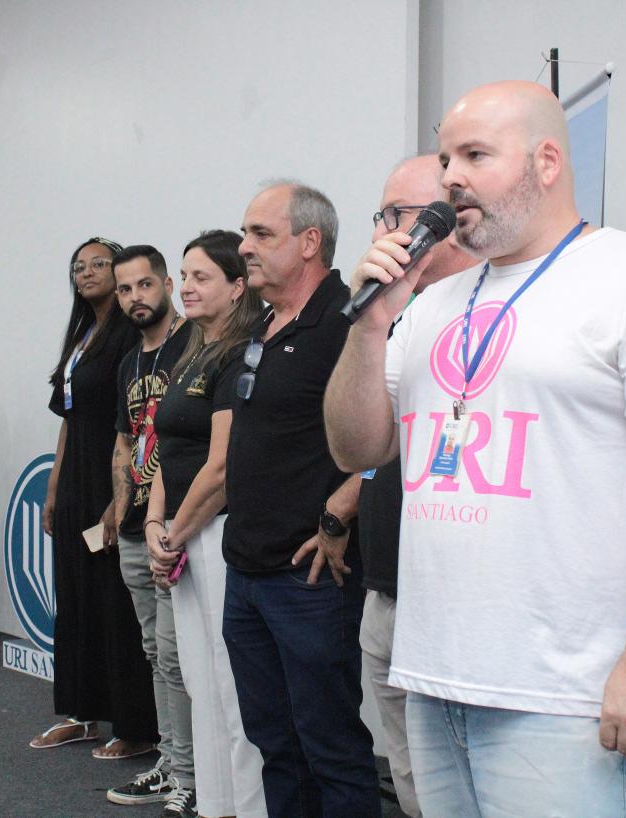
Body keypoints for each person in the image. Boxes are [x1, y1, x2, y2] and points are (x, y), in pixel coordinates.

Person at [324, 80, 626, 818]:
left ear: (546, 162)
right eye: (445, 158)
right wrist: (368, 330)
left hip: (565, 699)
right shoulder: (433, 304)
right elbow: (354, 446)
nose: (451, 178)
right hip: (434, 681)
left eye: (475, 155)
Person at [221, 181, 380, 817]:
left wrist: (340, 510)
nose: (244, 247)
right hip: (246, 572)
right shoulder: (262, 324)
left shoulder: (350, 320)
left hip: (309, 575)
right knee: (274, 742)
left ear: (310, 241)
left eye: (260, 234)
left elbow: (394, 431)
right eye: (245, 233)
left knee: (329, 746)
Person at [354, 156, 478, 818]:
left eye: (397, 215)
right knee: (414, 787)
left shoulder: (506, 307)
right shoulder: (403, 317)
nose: (383, 232)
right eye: (382, 216)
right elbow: (358, 447)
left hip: (466, 605)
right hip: (388, 587)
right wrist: (371, 323)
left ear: (444, 218)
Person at [147, 230, 267, 818]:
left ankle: (250, 807)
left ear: (237, 287)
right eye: (185, 276)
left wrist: (174, 535)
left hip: (216, 534)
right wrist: (155, 519)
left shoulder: (240, 353)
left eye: (202, 277)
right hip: (183, 533)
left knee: (233, 686)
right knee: (200, 682)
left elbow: (219, 467)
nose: (187, 288)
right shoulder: (191, 351)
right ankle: (216, 805)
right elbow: (167, 448)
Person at [31, 238, 158, 758]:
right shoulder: (81, 334)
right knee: (76, 600)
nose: (86, 273)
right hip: (76, 481)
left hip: (117, 482)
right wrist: (54, 487)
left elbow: (137, 424)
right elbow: (69, 419)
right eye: (78, 267)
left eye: (98, 264)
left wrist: (117, 501)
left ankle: (135, 726)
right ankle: (81, 713)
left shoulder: (132, 334)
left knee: (117, 605)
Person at [105, 244, 197, 811]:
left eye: (144, 284)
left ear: (166, 283)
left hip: (180, 525)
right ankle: (172, 760)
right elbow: (124, 442)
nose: (135, 297)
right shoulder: (128, 363)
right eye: (124, 289)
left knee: (177, 656)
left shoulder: (195, 344)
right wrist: (122, 514)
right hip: (137, 526)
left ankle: (190, 771)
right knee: (153, 652)